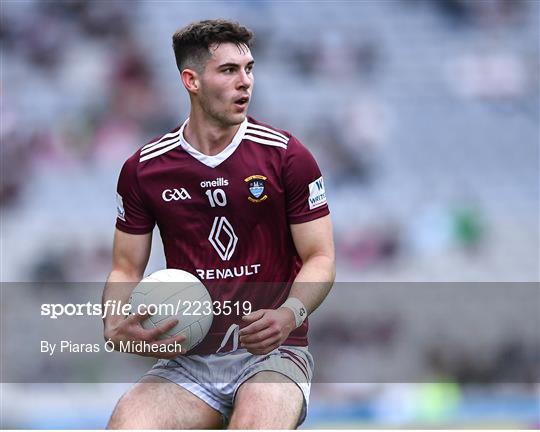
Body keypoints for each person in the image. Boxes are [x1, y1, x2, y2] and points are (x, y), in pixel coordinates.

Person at [103, 19, 335, 429]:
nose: (245, 82)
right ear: (191, 80)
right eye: (229, 71)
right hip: (190, 362)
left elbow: (320, 256)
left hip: (273, 355)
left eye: (249, 69)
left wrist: (290, 314)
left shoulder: (286, 157)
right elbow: (125, 266)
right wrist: (114, 321)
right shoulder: (144, 170)